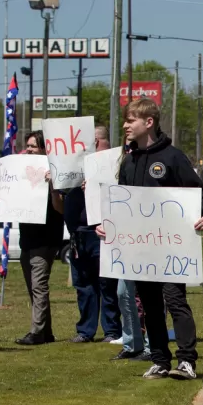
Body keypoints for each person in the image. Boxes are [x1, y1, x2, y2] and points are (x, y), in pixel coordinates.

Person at [104, 97, 203, 379]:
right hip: (142, 249)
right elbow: (121, 203)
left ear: (148, 122)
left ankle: (186, 361)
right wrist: (109, 226)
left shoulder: (173, 158)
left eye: (131, 120)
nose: (125, 125)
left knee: (175, 301)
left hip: (172, 247)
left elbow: (199, 193)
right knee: (150, 305)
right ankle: (161, 360)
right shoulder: (128, 162)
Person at [0, 132, 65, 345]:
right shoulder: (20, 172)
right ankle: (46, 332)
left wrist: (52, 186)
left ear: (44, 149)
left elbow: (60, 208)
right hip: (27, 238)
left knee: (39, 285)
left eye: (34, 146)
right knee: (33, 286)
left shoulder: (54, 173)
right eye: (28, 146)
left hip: (47, 238)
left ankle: (36, 333)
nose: (30, 149)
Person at [62, 125, 123, 346]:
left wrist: (97, 184)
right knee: (84, 286)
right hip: (78, 234)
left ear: (97, 140)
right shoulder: (75, 166)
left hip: (102, 230)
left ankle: (112, 330)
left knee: (107, 284)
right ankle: (86, 331)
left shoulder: (114, 162)